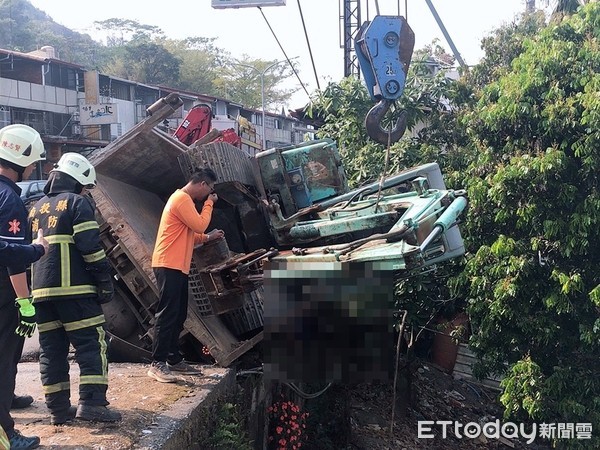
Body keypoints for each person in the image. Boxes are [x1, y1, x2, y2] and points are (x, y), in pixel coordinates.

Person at [29, 152, 121, 425]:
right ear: (78, 182)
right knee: (92, 345)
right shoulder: (78, 203)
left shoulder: (35, 208)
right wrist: (104, 280)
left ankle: (57, 409)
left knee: (52, 350)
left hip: (42, 295)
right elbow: (90, 247)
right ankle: (92, 403)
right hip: (76, 292)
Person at [148, 168, 224, 383]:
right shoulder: (182, 199)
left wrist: (208, 238)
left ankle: (173, 359)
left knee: (178, 313)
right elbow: (199, 224)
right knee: (167, 313)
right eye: (210, 188)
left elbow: (190, 234)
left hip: (177, 265)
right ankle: (157, 363)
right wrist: (209, 204)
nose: (209, 192)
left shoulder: (182, 200)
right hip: (168, 263)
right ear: (203, 184)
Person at [0, 124, 46, 450]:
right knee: (4, 361)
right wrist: (39, 249)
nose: (32, 169)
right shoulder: (11, 201)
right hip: (3, 300)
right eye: (32, 163)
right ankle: (5, 435)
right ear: (22, 159)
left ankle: (8, 399)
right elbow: (12, 258)